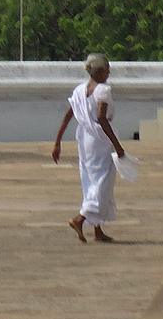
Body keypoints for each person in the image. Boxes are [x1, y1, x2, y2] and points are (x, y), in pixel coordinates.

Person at [51, 53, 126, 243]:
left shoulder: (79, 91)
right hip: (100, 141)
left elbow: (68, 116)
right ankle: (80, 218)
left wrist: (57, 142)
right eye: (107, 69)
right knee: (102, 182)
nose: (109, 73)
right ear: (99, 72)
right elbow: (101, 119)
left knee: (90, 182)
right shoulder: (102, 90)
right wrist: (118, 145)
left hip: (85, 140)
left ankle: (97, 230)